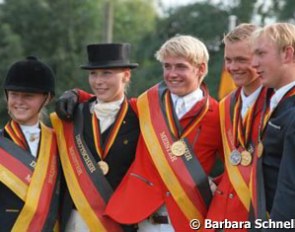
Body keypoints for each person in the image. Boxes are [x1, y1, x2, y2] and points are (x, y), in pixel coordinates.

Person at [104, 35, 223, 231]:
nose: (172, 74)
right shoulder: (146, 103)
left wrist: (213, 187)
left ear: (201, 69)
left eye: (181, 66)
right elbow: (109, 106)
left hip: (189, 218)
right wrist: (77, 95)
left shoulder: (218, 114)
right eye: (167, 66)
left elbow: (234, 165)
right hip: (142, 218)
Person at [51, 43, 140, 231]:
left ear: (126, 75)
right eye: (93, 74)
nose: (98, 81)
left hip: (118, 222)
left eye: (106, 73)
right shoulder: (73, 114)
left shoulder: (139, 117)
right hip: (74, 220)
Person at [204, 23, 272, 231]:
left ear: (260, 58)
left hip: (260, 216)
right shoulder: (225, 105)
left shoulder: (278, 102)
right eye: (228, 60)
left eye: (242, 60)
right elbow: (235, 161)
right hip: (222, 217)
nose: (233, 67)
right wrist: (215, 182)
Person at [0, 56, 60, 231]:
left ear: (47, 98)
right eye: (14, 95)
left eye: (28, 96)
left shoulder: (59, 143)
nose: (19, 102)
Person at [251, 22, 295, 223]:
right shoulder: (275, 102)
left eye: (261, 54)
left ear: (287, 54)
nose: (254, 63)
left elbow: (290, 188)